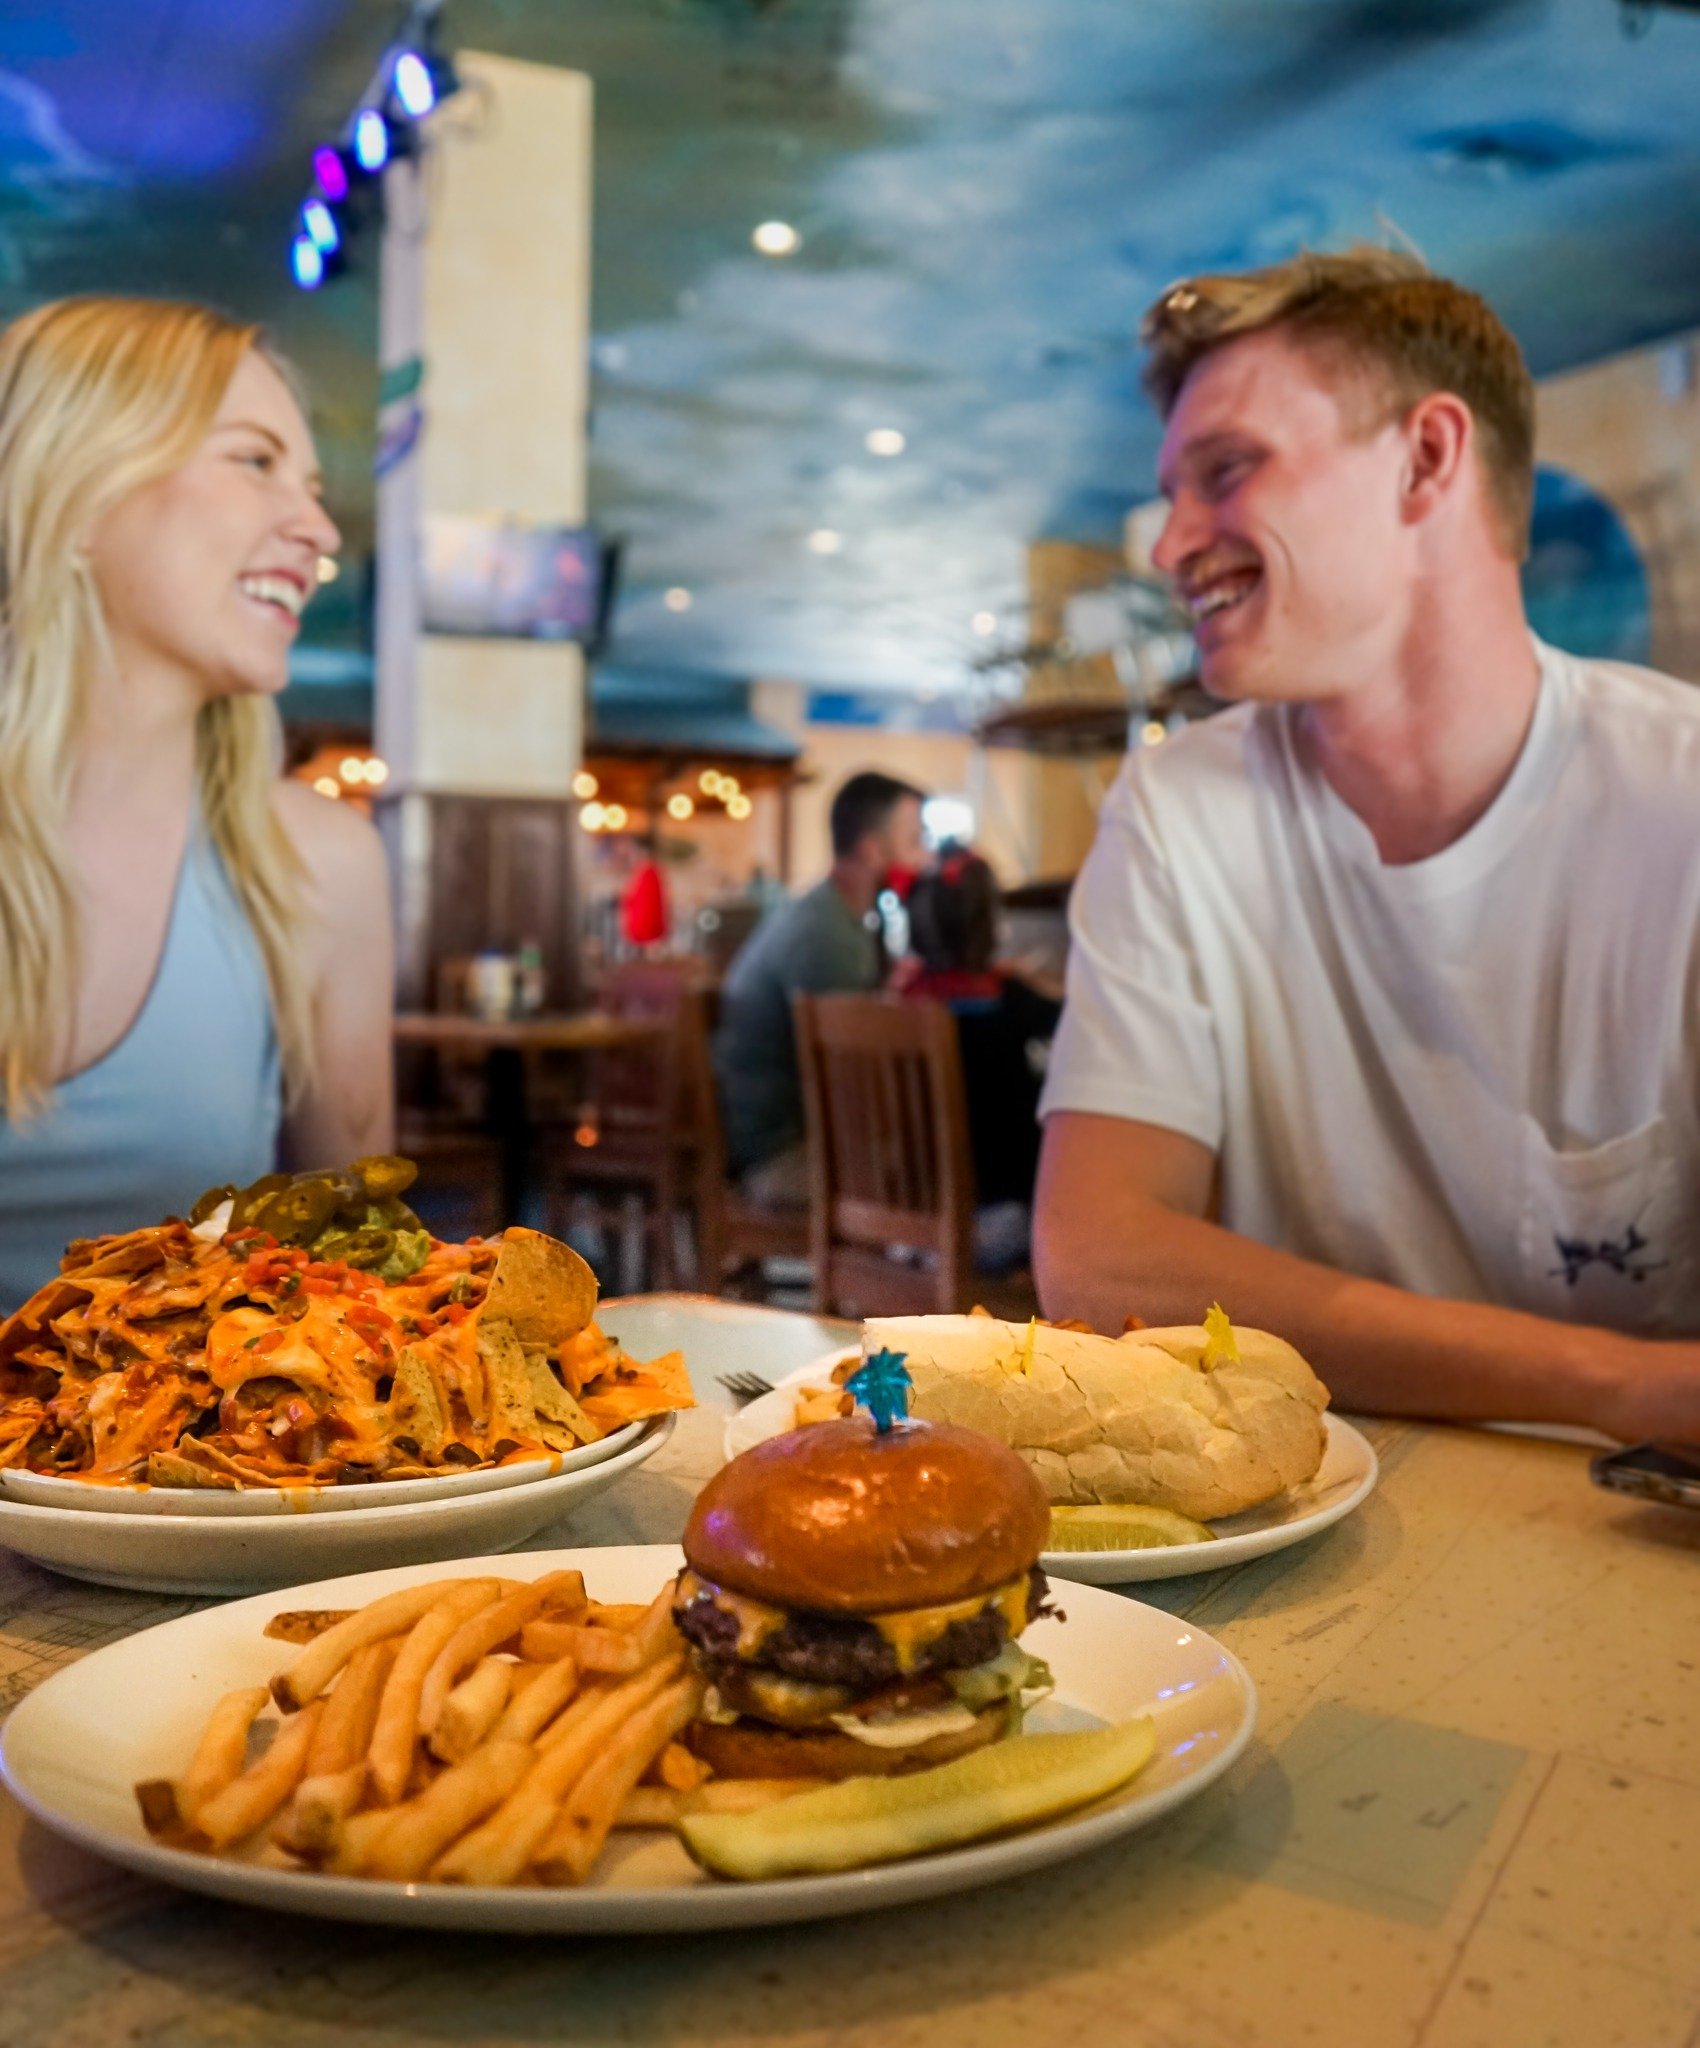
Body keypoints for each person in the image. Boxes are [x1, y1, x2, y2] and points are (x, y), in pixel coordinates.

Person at [1035, 247, 1700, 1443]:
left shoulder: (1677, 799)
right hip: (1308, 1520)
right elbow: (1097, 1255)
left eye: (1225, 472)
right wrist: (1616, 1383)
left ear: (1425, 459)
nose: (1167, 544)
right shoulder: (1179, 805)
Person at [0, 296, 394, 1313]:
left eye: (312, 487)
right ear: (75, 493)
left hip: (167, 1467)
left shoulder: (319, 865)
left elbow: (360, 1286)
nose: (317, 531)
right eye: (254, 460)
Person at [713, 770, 926, 1205]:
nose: (924, 859)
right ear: (869, 851)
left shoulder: (835, 917)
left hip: (776, 1142)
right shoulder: (824, 936)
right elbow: (858, 1084)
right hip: (779, 1157)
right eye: (914, 840)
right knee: (938, 1167)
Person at [900, 848, 1062, 1245]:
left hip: (904, 1226)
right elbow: (1075, 1021)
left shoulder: (901, 1003)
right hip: (988, 1226)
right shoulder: (1010, 1001)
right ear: (992, 924)